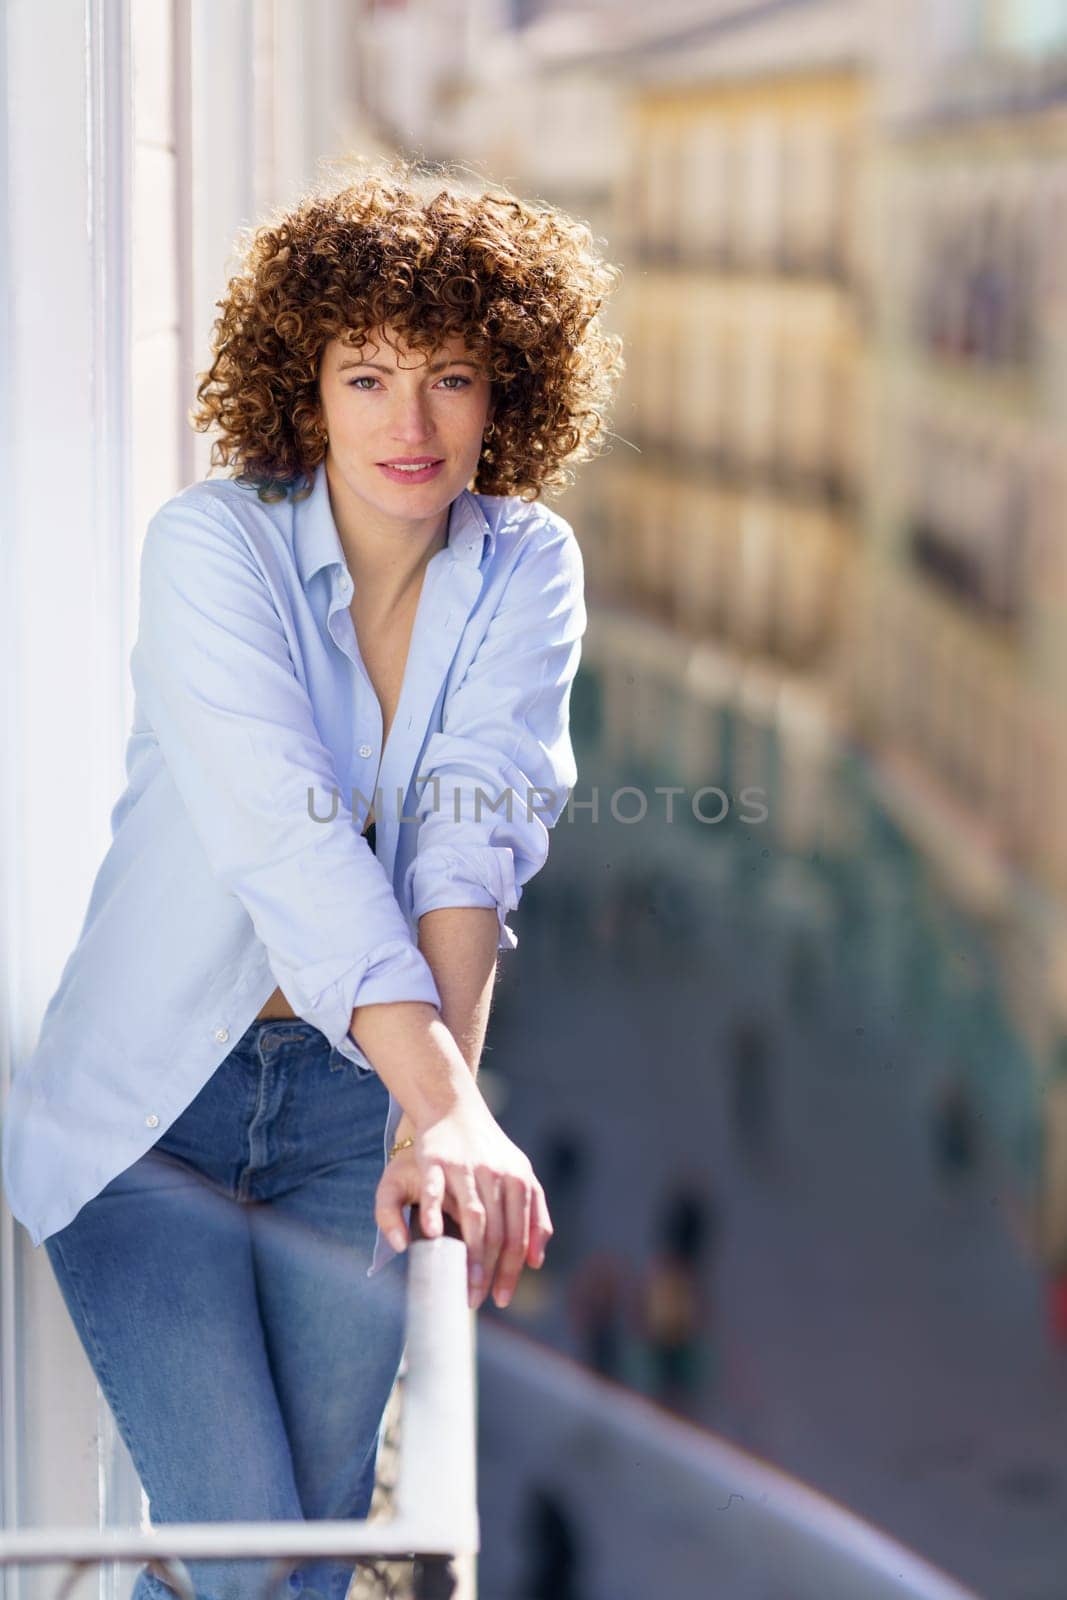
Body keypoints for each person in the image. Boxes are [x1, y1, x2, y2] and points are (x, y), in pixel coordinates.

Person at [2, 158, 622, 1600]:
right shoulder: (210, 548)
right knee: (259, 1562)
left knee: (323, 1534)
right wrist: (450, 1102)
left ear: (507, 393)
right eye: (366, 376)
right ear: (306, 386)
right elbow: (292, 847)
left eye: (452, 377)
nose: (409, 423)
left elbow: (474, 842)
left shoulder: (525, 565)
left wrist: (428, 1118)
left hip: (362, 1114)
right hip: (156, 1109)